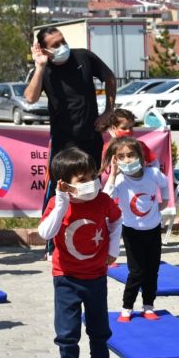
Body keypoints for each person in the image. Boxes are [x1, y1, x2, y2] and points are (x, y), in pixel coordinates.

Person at [25, 27, 117, 261]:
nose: (61, 46)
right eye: (54, 45)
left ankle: (94, 237)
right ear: (44, 49)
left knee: (92, 190)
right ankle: (53, 245)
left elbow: (110, 78)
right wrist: (40, 66)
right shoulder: (43, 69)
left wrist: (108, 111)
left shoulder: (83, 57)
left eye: (62, 41)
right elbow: (30, 97)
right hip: (63, 143)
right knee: (60, 192)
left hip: (90, 138)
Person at [38, 147, 122, 358]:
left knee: (99, 328)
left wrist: (113, 250)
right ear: (64, 184)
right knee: (67, 331)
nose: (92, 182)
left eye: (94, 176)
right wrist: (62, 203)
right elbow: (46, 233)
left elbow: (116, 221)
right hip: (67, 278)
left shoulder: (102, 200)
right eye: (83, 179)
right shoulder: (57, 203)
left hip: (96, 276)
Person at [103, 137, 169, 323]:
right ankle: (127, 308)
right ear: (115, 160)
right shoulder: (121, 181)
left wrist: (164, 200)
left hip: (153, 229)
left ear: (140, 156)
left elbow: (164, 184)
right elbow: (107, 199)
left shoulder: (153, 174)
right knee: (137, 271)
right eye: (121, 157)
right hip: (131, 231)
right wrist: (113, 174)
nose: (127, 160)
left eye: (131, 155)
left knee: (152, 270)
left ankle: (148, 306)